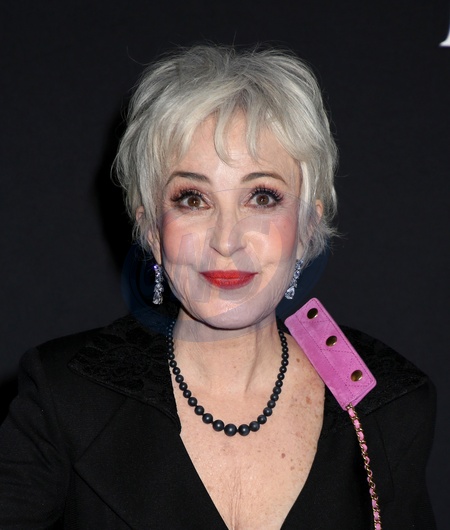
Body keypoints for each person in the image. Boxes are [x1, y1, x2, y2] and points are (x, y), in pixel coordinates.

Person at [0, 45, 435, 529]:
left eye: (262, 197)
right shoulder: (64, 398)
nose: (226, 240)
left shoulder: (386, 403)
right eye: (193, 199)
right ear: (151, 231)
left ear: (307, 227)